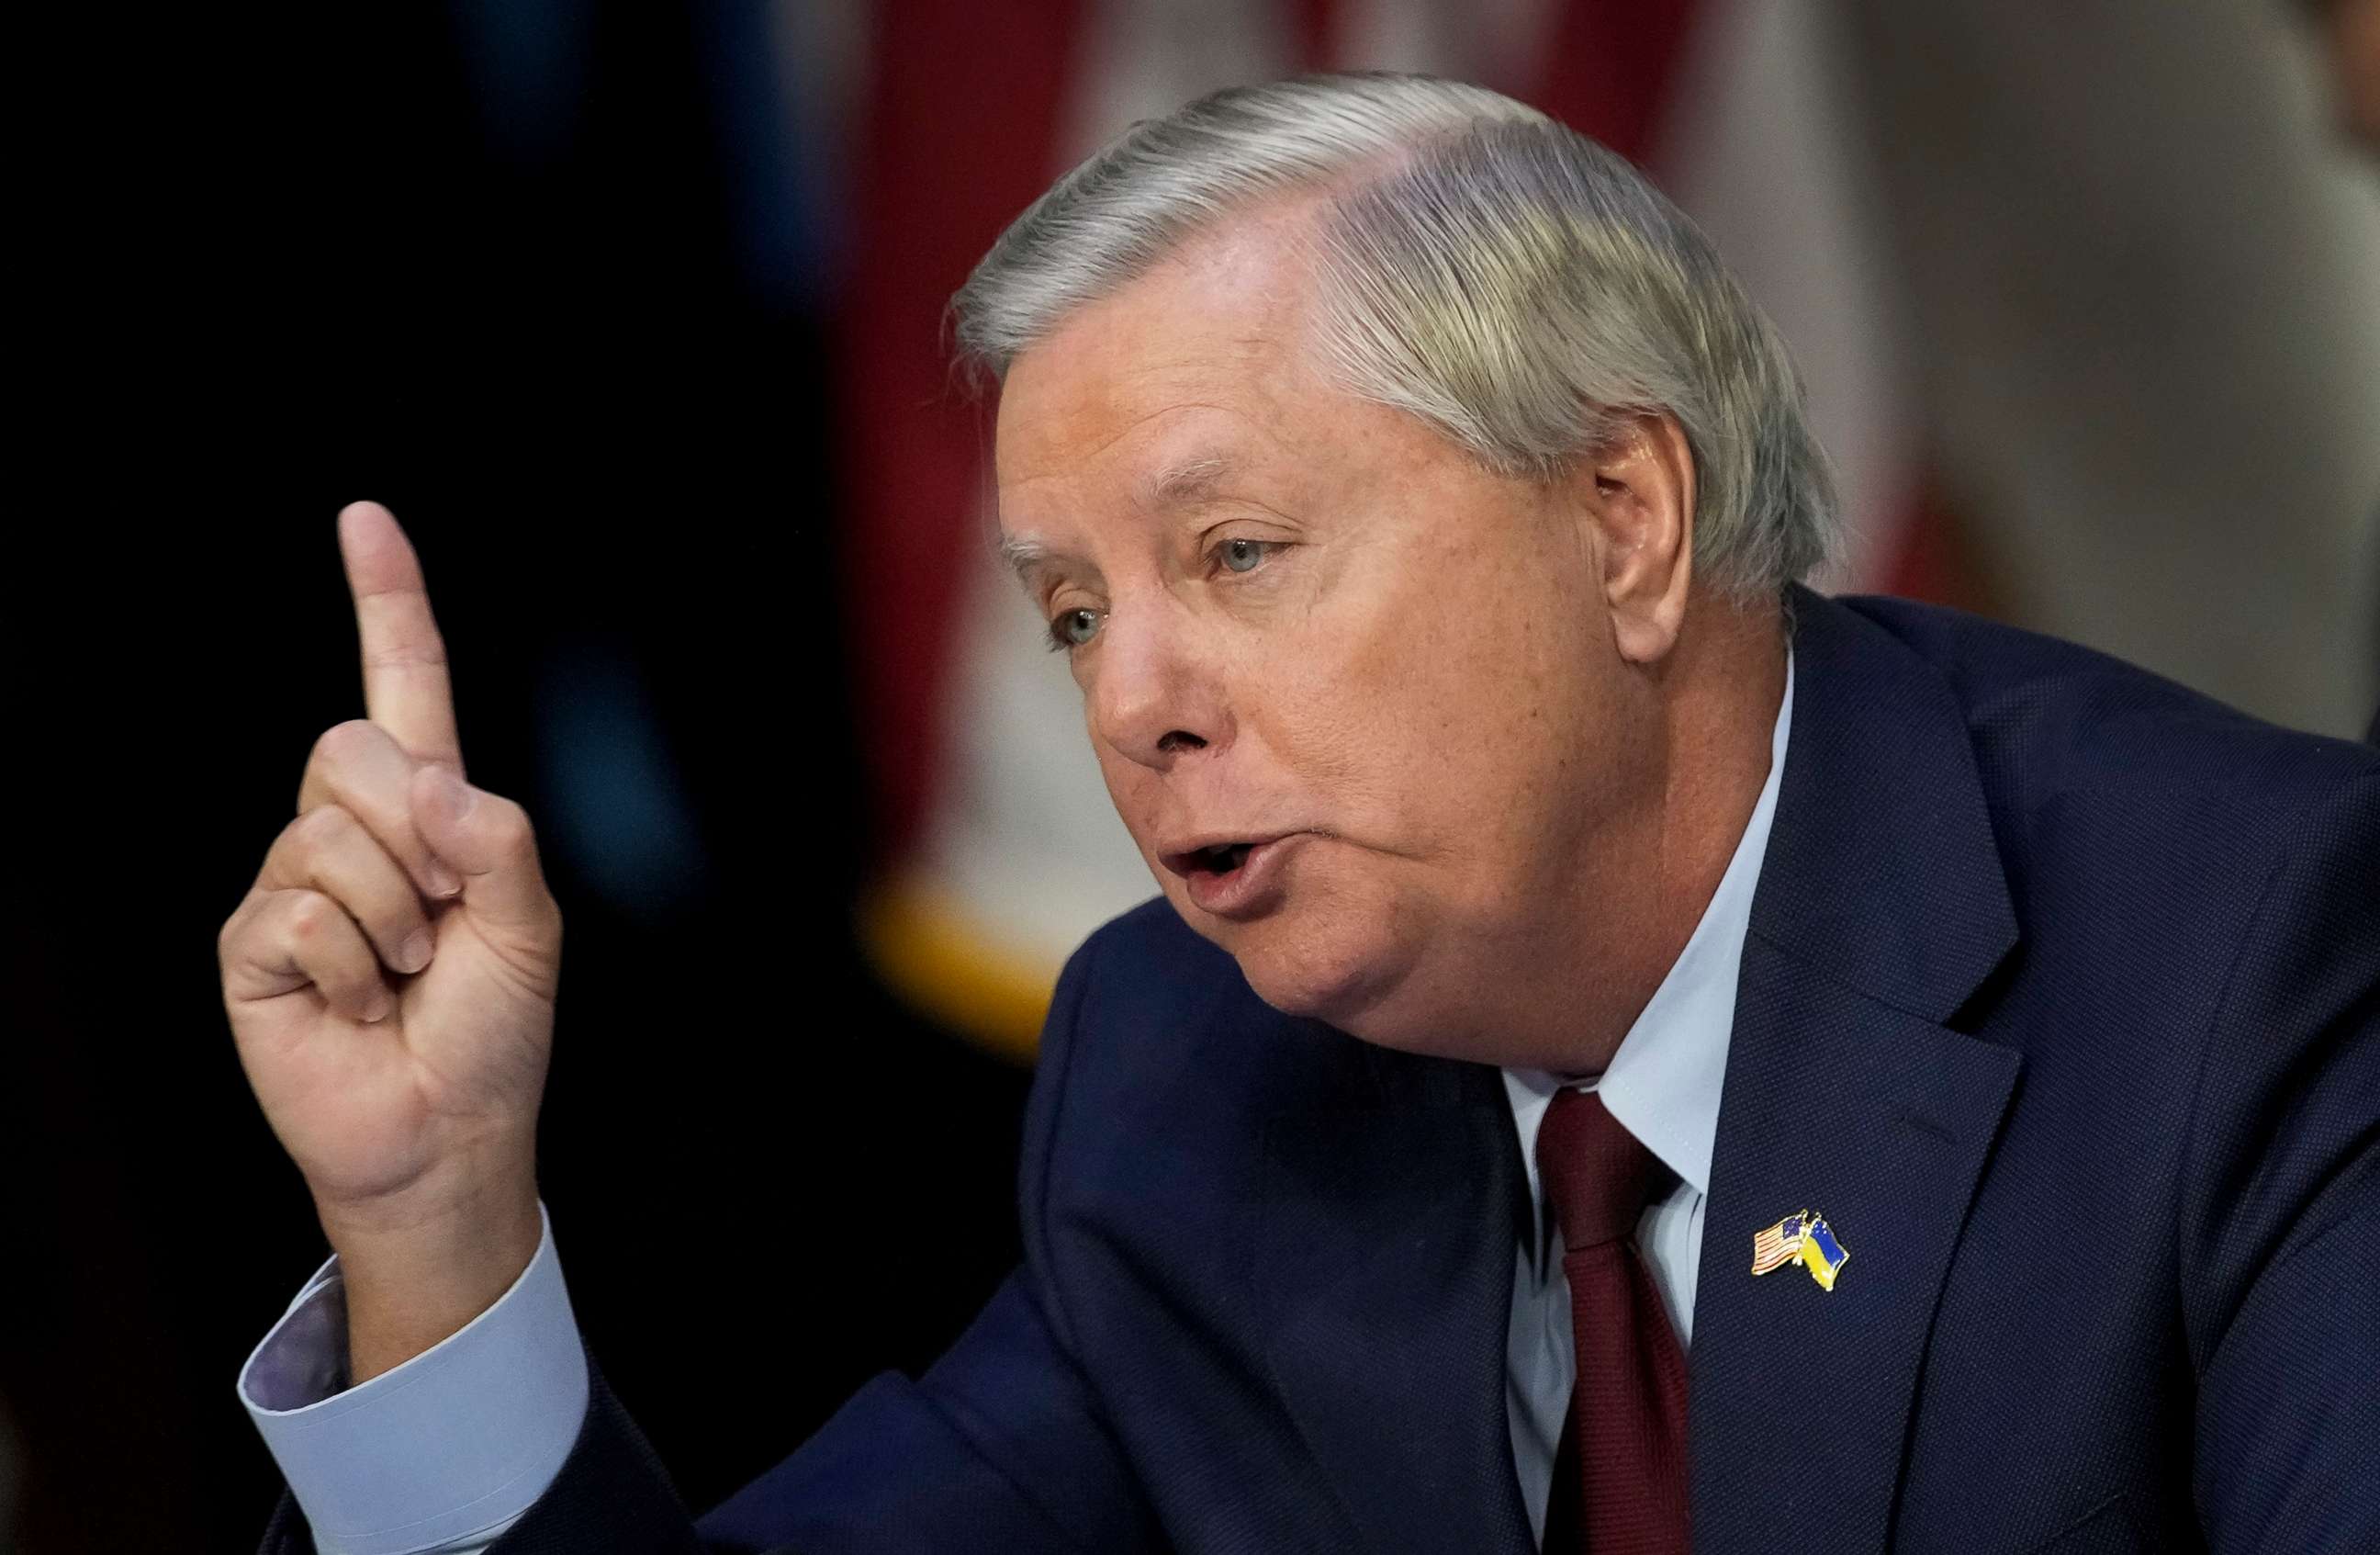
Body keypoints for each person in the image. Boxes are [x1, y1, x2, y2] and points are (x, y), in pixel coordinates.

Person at [223, 75, 2379, 1555]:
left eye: (1234, 552)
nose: (1133, 703)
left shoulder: (2254, 961)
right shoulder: (1185, 1073)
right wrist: (431, 1226)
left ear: (1624, 519)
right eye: (1068, 614)